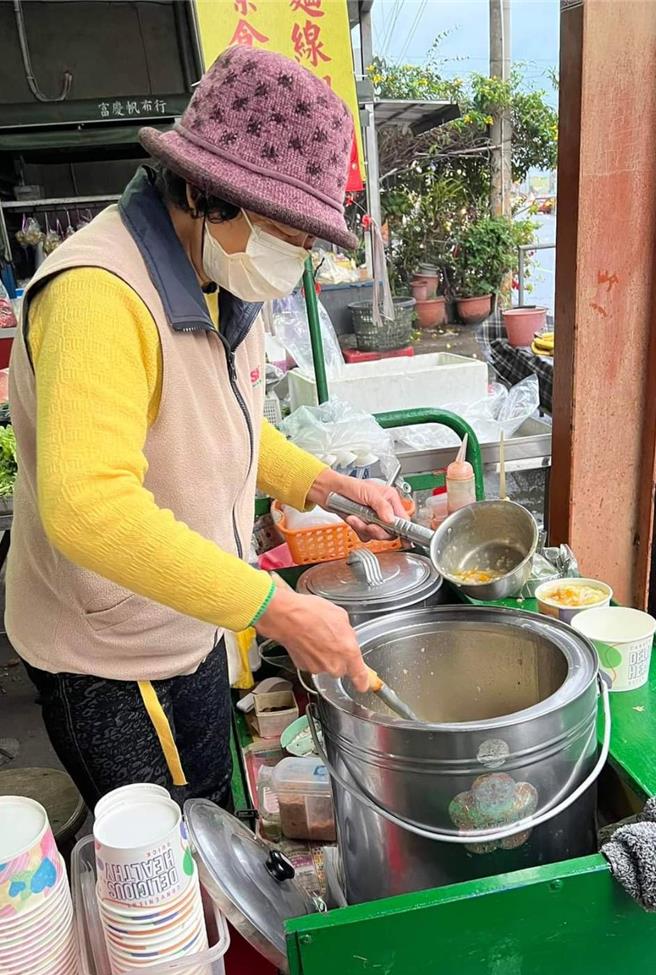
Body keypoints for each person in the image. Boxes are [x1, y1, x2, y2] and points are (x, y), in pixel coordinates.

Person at [5, 45, 404, 811]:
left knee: (209, 805)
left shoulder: (221, 280)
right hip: (113, 658)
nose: (299, 253)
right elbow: (88, 506)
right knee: (169, 851)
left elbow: (233, 421)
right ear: (205, 193)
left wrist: (327, 483)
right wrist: (278, 608)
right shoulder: (98, 293)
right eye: (288, 229)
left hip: (188, 617)